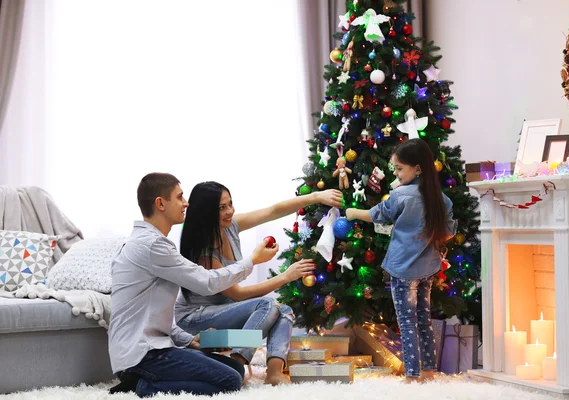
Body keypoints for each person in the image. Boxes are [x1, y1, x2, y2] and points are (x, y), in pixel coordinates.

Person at [107, 173, 279, 397]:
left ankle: (271, 368)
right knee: (230, 380)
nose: (186, 203)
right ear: (160, 204)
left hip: (151, 347)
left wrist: (189, 341)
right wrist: (253, 261)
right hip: (144, 355)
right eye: (179, 197)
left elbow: (154, 316)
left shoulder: (150, 244)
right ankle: (141, 385)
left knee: (239, 363)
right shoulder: (152, 246)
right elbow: (208, 282)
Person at [175, 182, 342, 385]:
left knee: (284, 310)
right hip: (196, 324)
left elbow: (272, 211)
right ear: (206, 212)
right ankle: (236, 363)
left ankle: (273, 372)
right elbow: (237, 294)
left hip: (221, 324)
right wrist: (285, 276)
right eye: (222, 207)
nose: (230, 211)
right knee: (268, 305)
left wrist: (316, 196)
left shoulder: (229, 226)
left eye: (230, 204)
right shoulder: (204, 251)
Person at [346, 139, 456, 383]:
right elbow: (448, 232)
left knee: (407, 323)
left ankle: (412, 375)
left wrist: (352, 213)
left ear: (417, 169)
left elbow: (375, 214)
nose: (395, 173)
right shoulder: (441, 199)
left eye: (398, 168)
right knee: (424, 320)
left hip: (403, 270)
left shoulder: (401, 196)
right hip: (428, 268)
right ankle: (427, 371)